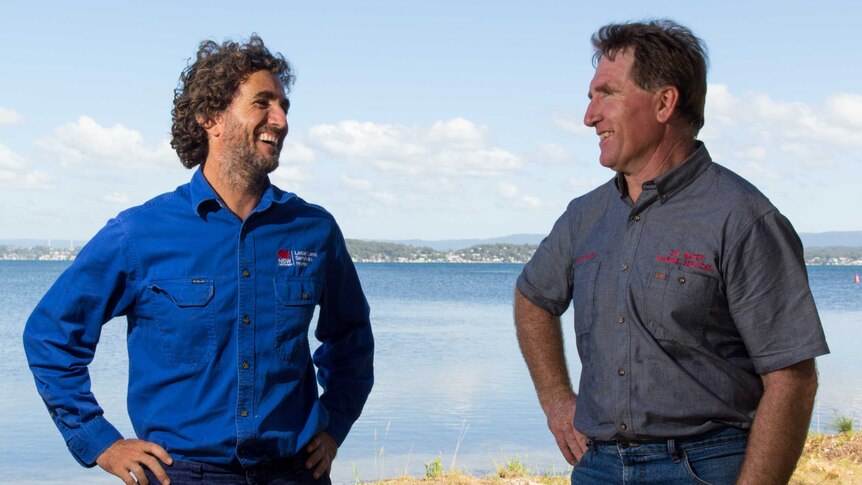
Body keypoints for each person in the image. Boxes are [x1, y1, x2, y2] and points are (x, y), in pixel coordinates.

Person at [23, 35, 374, 485]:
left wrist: (335, 425)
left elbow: (351, 340)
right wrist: (100, 442)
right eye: (262, 103)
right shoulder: (140, 233)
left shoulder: (314, 229)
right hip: (182, 475)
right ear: (211, 118)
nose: (281, 120)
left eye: (285, 105)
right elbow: (50, 335)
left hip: (295, 472)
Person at [514, 20, 828, 484]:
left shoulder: (743, 218)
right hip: (597, 466)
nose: (589, 116)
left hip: (704, 465)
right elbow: (533, 298)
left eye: (607, 94)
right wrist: (557, 400)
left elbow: (792, 378)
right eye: (590, 97)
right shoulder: (585, 216)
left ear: (664, 102)